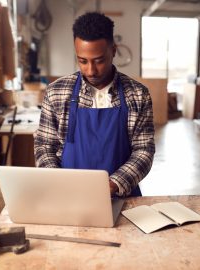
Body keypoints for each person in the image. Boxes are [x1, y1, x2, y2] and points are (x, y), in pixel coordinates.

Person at [34, 12, 155, 197]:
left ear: (113, 51)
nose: (91, 70)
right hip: (68, 196)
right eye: (83, 61)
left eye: (99, 60)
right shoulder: (56, 92)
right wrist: (57, 181)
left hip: (121, 197)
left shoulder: (138, 95)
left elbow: (144, 150)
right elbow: (44, 146)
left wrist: (115, 183)